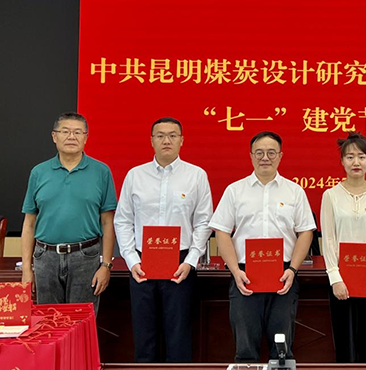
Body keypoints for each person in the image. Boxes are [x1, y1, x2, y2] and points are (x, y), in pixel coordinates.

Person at [209, 131, 316, 363]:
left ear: (280, 156)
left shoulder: (294, 191)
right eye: (259, 152)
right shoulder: (235, 190)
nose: (265, 157)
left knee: (282, 349)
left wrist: (293, 269)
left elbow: (306, 231)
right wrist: (235, 271)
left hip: (283, 276)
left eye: (271, 153)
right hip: (244, 276)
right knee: (245, 349)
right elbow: (222, 231)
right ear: (251, 156)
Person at [114, 117, 213, 362]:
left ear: (182, 140)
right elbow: (123, 220)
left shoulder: (196, 175)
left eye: (172, 135)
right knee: (144, 335)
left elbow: (203, 222)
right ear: (151, 141)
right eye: (160, 135)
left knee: (179, 335)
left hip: (181, 263)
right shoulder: (135, 175)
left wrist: (191, 261)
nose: (166, 140)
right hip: (142, 263)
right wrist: (131, 260)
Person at [20, 112, 117, 314]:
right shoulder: (39, 172)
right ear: (54, 136)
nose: (71, 137)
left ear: (86, 137)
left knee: (81, 322)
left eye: (77, 132)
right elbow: (29, 223)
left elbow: (108, 222)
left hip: (86, 257)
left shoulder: (101, 171)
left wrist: (106, 265)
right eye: (65, 131)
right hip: (45, 257)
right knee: (48, 321)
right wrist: (27, 269)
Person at [320, 132, 366, 362]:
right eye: (350, 157)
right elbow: (329, 240)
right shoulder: (330, 196)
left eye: (361, 156)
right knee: (345, 343)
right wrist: (335, 278)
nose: (356, 162)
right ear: (342, 161)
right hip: (342, 280)